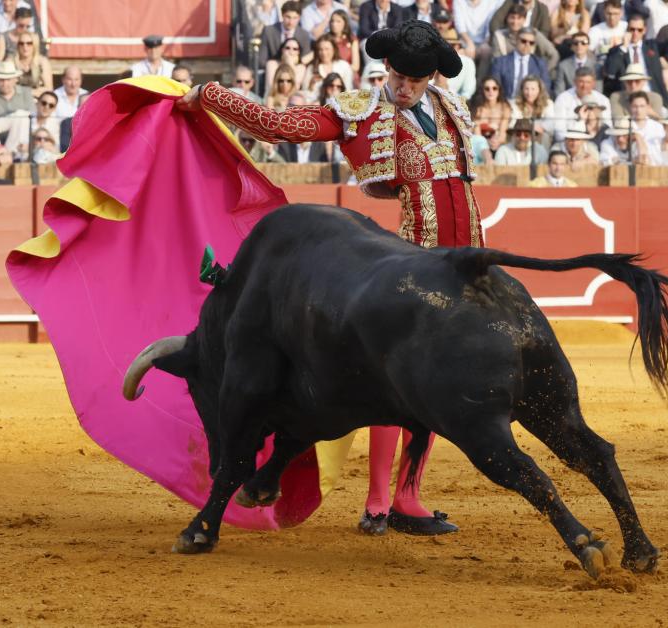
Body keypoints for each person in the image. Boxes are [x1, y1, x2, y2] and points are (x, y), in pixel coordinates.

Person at [180, 19, 483, 537]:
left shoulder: (452, 108)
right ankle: (379, 503)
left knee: (442, 377)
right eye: (399, 75)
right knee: (400, 380)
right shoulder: (360, 111)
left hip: (471, 254)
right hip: (416, 256)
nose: (406, 87)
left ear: (435, 75)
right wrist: (210, 94)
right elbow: (280, 125)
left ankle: (409, 494)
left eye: (418, 78)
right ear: (386, 66)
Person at [603, 13, 668, 104]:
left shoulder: (652, 46)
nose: (635, 33)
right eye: (632, 29)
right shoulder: (617, 51)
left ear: (644, 30)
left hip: (651, 93)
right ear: (627, 30)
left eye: (639, 30)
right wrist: (624, 47)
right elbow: (611, 72)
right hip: (628, 97)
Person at [553, 66, 612, 141]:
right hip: (570, 141)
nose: (584, 86)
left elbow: (608, 127)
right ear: (574, 81)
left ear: (594, 83)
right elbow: (559, 131)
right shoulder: (563, 99)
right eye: (581, 81)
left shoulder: (603, 100)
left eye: (588, 82)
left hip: (598, 141)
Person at [490, 27, 550, 98]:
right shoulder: (500, 62)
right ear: (516, 40)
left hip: (530, 104)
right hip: (507, 103)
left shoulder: (540, 63)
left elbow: (545, 88)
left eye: (531, 43)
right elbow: (494, 87)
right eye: (523, 41)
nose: (527, 45)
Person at [511, 75, 556, 147]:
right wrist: (530, 128)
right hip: (521, 134)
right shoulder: (515, 103)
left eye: (533, 89)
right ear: (522, 90)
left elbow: (551, 124)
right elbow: (513, 123)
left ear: (539, 90)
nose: (529, 93)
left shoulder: (548, 103)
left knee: (545, 136)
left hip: (539, 135)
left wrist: (541, 127)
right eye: (526, 89)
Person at [10, 29, 53, 97]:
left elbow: (49, 88)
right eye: (21, 43)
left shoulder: (42, 62)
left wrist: (30, 93)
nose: (25, 47)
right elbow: (8, 87)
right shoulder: (11, 62)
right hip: (15, 100)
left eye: (29, 43)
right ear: (18, 45)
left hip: (36, 101)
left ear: (34, 45)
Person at [555, 31, 595, 96]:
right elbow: (559, 90)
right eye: (576, 43)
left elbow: (598, 91)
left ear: (588, 46)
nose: (579, 45)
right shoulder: (563, 65)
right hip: (569, 101)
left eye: (583, 42)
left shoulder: (596, 66)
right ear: (572, 46)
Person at [471, 76, 511, 142]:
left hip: (498, 143)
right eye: (487, 89)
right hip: (479, 143)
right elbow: (474, 130)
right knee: (476, 127)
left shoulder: (504, 108)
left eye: (494, 88)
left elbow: (502, 133)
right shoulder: (477, 108)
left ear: (499, 90)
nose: (491, 91)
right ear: (482, 90)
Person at [327, 10, 360, 79]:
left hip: (348, 74)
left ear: (345, 23)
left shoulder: (352, 40)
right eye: (332, 21)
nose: (334, 24)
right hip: (329, 74)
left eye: (338, 21)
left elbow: (356, 66)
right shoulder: (326, 39)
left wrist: (342, 71)